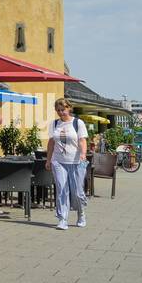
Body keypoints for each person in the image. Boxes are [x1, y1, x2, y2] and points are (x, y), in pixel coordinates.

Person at [47, 98, 88, 229]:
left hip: (76, 161)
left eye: (63, 109)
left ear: (69, 108)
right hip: (58, 161)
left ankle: (81, 214)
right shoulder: (54, 124)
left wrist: (83, 154)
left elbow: (82, 140)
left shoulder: (77, 123)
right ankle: (62, 219)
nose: (60, 112)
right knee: (61, 190)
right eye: (58, 110)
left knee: (77, 192)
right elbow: (51, 142)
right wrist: (48, 160)